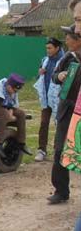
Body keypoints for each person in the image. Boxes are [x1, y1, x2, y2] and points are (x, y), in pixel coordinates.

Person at [48, 23, 81, 204]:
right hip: (67, 110)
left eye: (69, 36)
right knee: (60, 148)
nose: (66, 39)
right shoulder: (69, 56)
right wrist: (59, 76)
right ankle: (61, 191)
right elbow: (55, 75)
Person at [33, 37, 64, 162]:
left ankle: (60, 151)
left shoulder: (64, 60)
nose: (47, 50)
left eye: (50, 48)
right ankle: (42, 150)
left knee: (60, 126)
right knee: (44, 123)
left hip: (59, 99)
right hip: (46, 98)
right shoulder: (45, 60)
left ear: (57, 48)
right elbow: (39, 76)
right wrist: (39, 72)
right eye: (46, 48)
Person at [0, 73, 31, 154]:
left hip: (7, 106)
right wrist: (8, 114)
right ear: (9, 86)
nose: (15, 93)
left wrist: (11, 111)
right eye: (14, 90)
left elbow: (14, 105)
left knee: (21, 113)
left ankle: (21, 143)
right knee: (4, 115)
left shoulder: (13, 89)